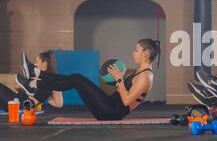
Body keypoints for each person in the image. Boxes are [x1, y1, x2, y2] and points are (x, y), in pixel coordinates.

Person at [16, 39, 161, 121]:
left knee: (78, 79)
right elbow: (123, 94)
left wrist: (119, 80)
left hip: (110, 112)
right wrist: (119, 78)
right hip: (109, 105)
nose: (133, 53)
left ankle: (35, 80)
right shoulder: (141, 73)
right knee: (76, 79)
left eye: (136, 50)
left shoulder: (145, 77)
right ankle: (35, 80)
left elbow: (127, 101)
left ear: (146, 53)